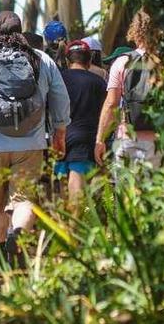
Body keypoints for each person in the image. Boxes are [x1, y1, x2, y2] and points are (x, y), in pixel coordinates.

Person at [0, 11, 70, 270]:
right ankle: (17, 235)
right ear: (21, 29)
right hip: (32, 144)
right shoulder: (40, 60)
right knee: (25, 200)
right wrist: (59, 134)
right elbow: (62, 101)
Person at [95, 9, 161, 181]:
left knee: (126, 198)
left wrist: (100, 139)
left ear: (134, 31)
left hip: (127, 137)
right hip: (157, 140)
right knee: (154, 196)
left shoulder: (122, 62)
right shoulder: (163, 62)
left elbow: (111, 104)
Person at [56, 40, 106, 207]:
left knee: (61, 184)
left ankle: (62, 226)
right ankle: (73, 226)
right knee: (77, 183)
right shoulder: (98, 82)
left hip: (59, 136)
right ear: (89, 60)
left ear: (68, 60)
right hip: (85, 138)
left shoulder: (58, 79)